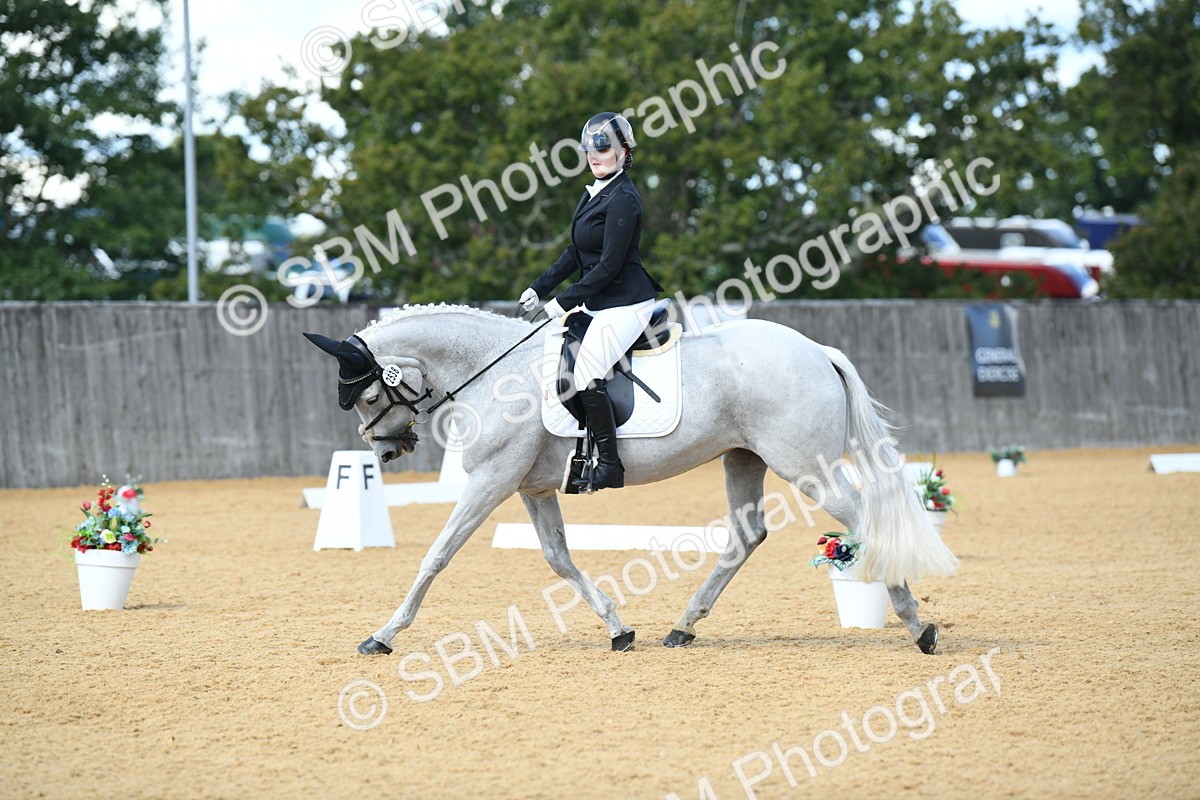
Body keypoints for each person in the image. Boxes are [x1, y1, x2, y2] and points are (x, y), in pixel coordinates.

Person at [518, 112, 664, 491]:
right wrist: (540, 287)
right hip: (600, 302)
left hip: (626, 302)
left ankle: (611, 465)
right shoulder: (594, 193)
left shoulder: (625, 200)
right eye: (590, 150)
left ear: (624, 151)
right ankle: (581, 450)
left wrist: (560, 303)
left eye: (604, 149)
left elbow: (608, 266)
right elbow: (575, 252)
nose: (595, 156)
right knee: (560, 368)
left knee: (584, 374)